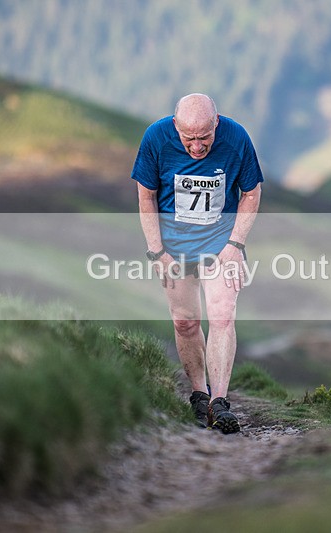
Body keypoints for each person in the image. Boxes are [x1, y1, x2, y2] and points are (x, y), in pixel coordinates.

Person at [131, 93, 263, 434]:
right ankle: (198, 394)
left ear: (216, 123)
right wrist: (157, 251)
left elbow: (251, 192)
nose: (197, 146)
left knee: (221, 315)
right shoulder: (156, 138)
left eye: (204, 137)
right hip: (174, 247)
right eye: (188, 138)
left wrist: (235, 245)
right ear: (175, 126)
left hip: (220, 244)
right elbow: (145, 196)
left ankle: (220, 403)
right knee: (185, 324)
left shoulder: (236, 138)